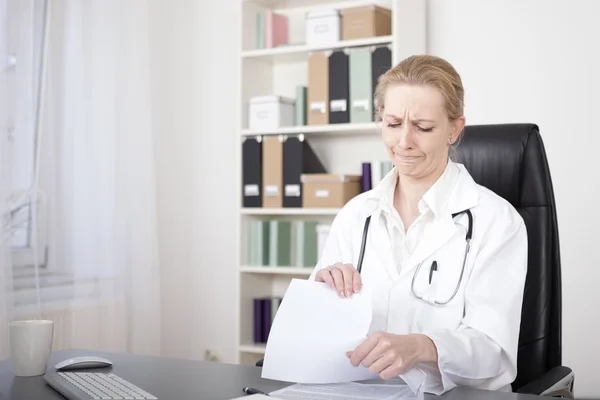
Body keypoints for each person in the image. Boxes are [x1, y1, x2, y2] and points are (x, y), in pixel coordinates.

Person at [308, 54, 527, 395]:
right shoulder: (355, 215)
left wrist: (422, 347)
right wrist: (321, 293)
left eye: (422, 127)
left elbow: (494, 354)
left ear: (455, 129)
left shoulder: (497, 221)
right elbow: (317, 332)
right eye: (393, 124)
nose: (404, 142)